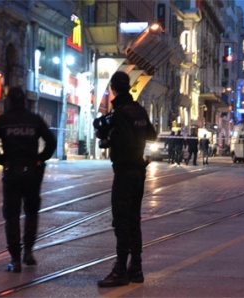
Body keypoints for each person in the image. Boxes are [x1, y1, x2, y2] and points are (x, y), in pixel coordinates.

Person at [0, 86, 56, 273]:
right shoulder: (34, 120)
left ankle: (15, 259)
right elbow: (51, 141)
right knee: (31, 212)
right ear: (25, 102)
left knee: (12, 215)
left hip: (12, 172)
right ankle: (29, 252)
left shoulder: (2, 121)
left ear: (9, 102)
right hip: (32, 172)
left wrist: (3, 160)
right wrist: (41, 158)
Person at [94, 71, 157, 288]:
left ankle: (121, 269)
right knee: (133, 219)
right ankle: (136, 268)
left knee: (121, 221)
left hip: (124, 172)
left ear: (113, 88)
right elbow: (152, 135)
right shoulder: (139, 110)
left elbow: (123, 142)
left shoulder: (120, 113)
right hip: (138, 172)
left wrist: (108, 140)